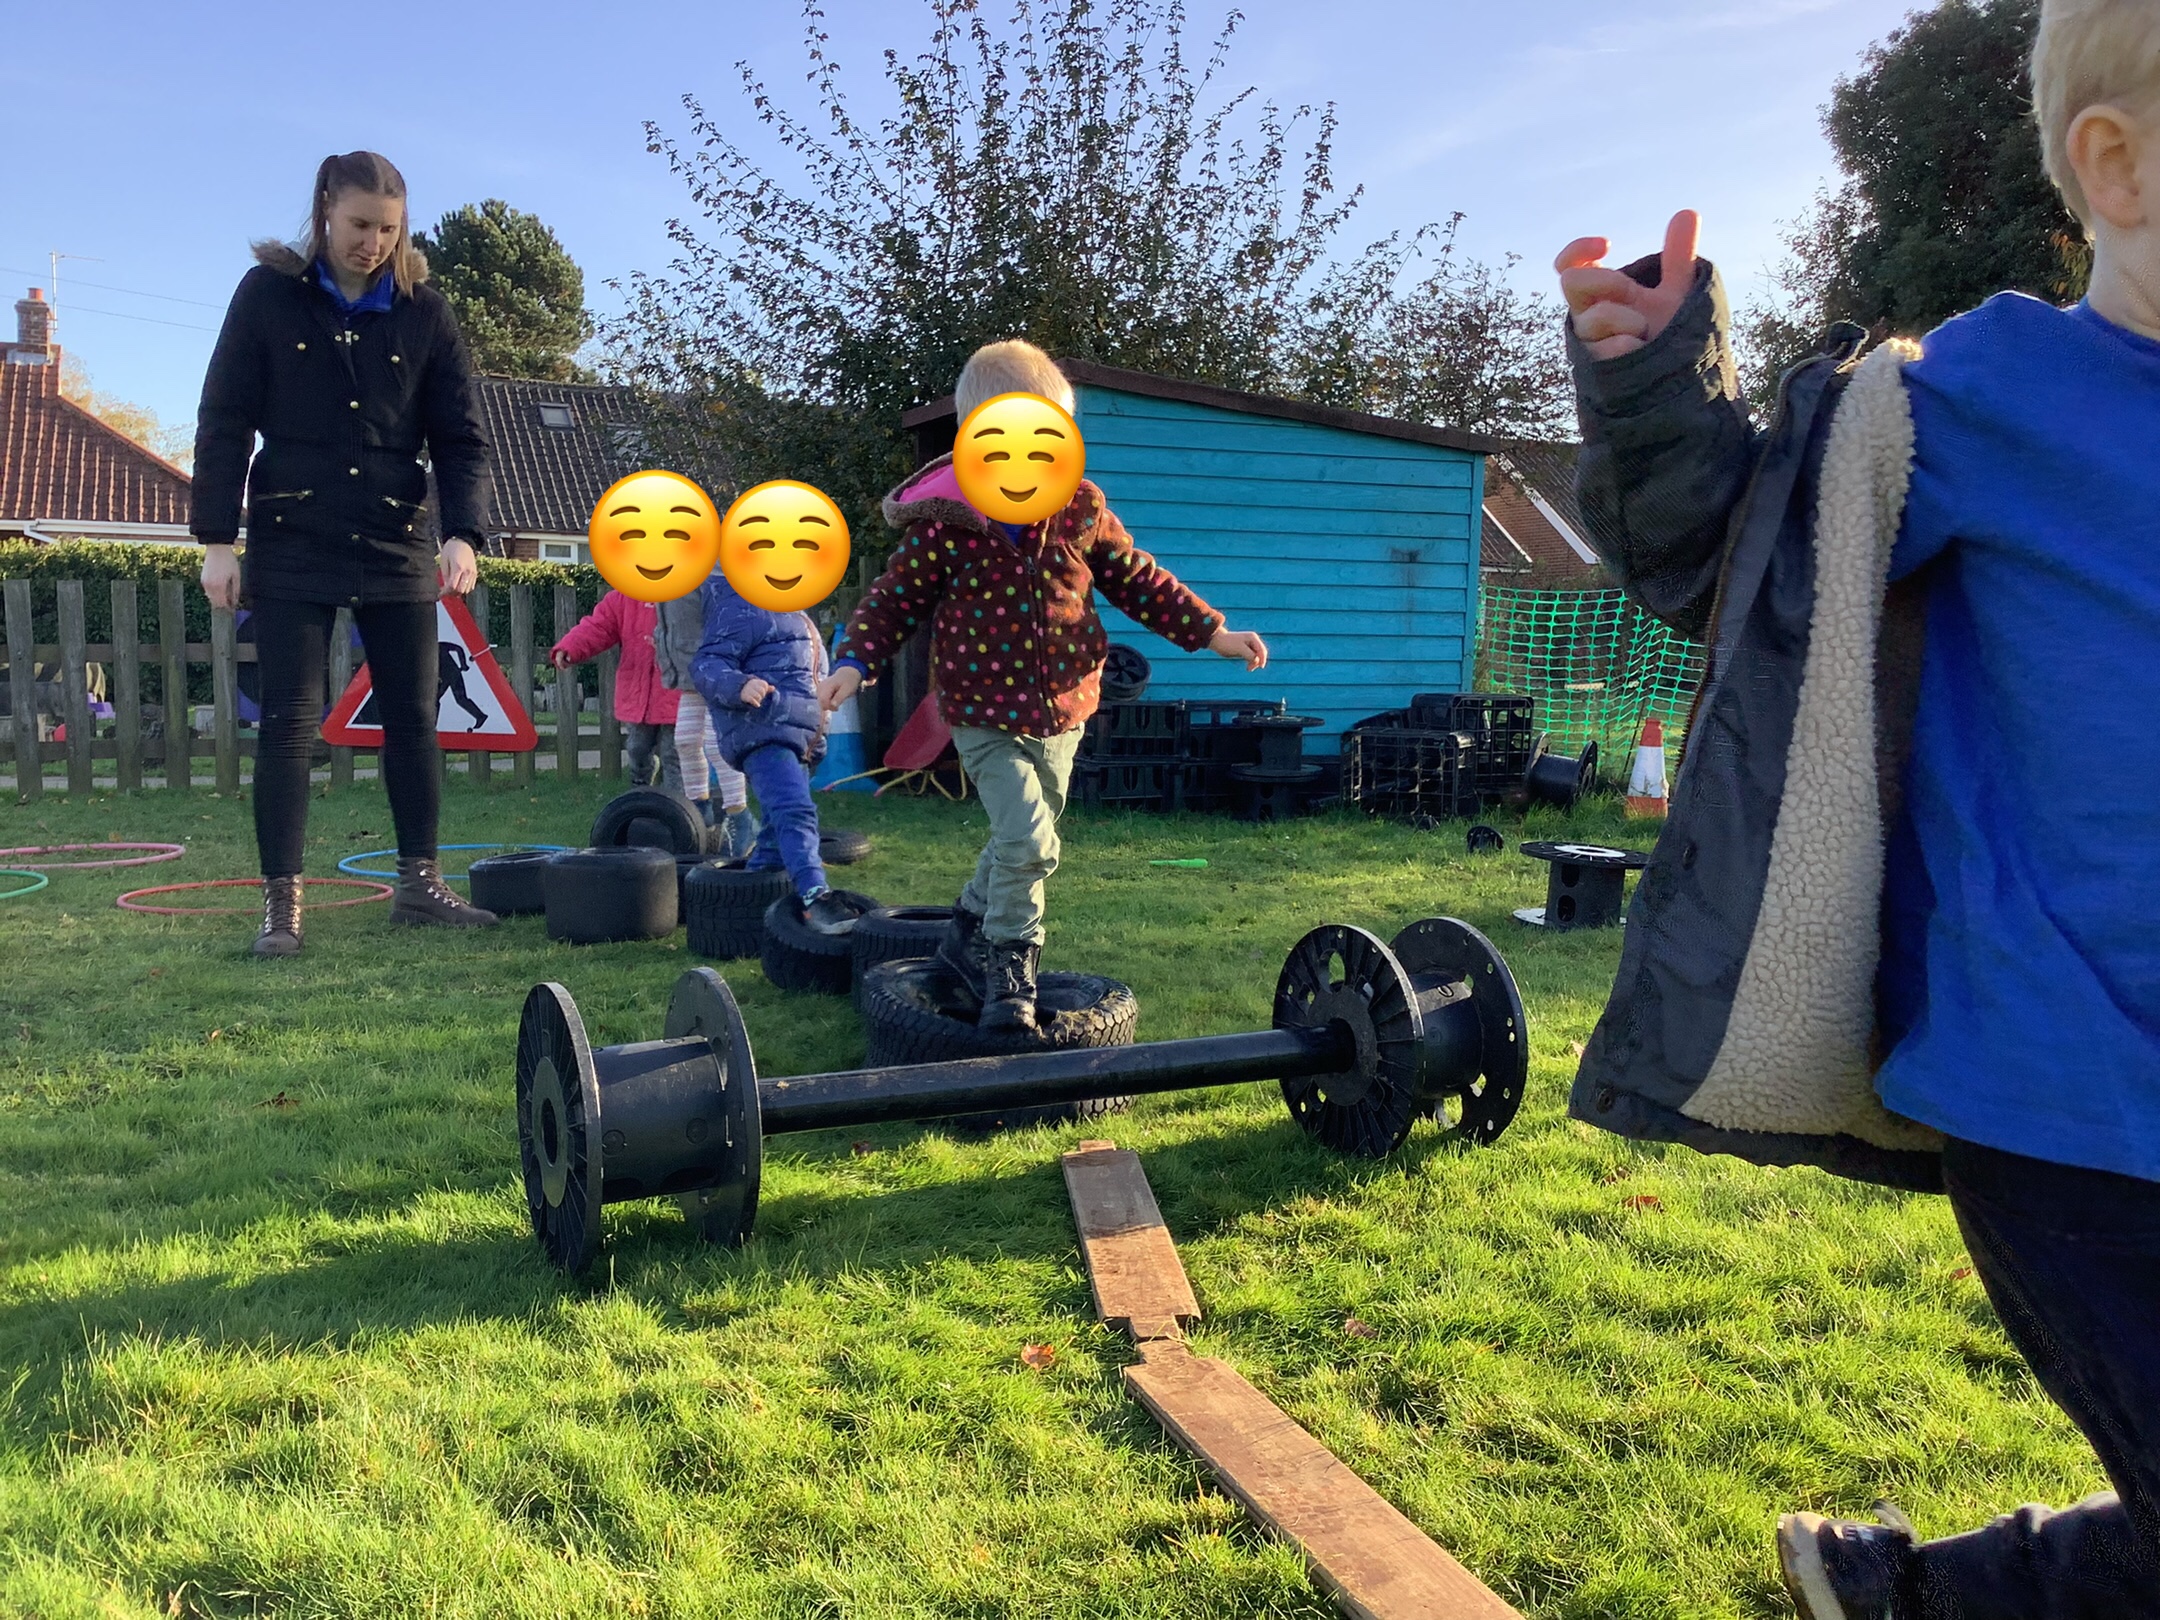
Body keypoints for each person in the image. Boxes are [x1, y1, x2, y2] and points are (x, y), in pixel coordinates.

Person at [1551, 1, 2159, 1613]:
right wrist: (1656, 392)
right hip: (2069, 1098)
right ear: (2120, 169)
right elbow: (1739, 553)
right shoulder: (1989, 394)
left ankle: (1904, 1598)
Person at [819, 339, 1269, 1035]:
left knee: (1018, 839)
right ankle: (1010, 968)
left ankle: (962, 937)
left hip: (1066, 708)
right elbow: (892, 600)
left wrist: (1213, 632)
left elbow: (1138, 579)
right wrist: (854, 661)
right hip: (981, 713)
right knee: (1030, 844)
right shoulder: (945, 526)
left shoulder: (1080, 509)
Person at [193, 150, 498, 956]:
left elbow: (461, 438)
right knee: (288, 722)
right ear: (326, 206)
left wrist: (463, 532)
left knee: (414, 718)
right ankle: (281, 907)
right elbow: (224, 419)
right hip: (291, 531)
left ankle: (420, 887)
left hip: (395, 534)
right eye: (361, 224)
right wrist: (218, 540)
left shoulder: (425, 312)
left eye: (389, 229)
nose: (374, 243)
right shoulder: (267, 295)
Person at [690, 569, 849, 933]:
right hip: (764, 731)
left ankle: (745, 906)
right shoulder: (741, 607)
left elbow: (806, 672)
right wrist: (740, 685)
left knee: (776, 832)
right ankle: (815, 894)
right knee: (794, 811)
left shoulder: (795, 612)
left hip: (799, 735)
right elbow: (706, 664)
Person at [652, 579, 759, 857]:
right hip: (690, 672)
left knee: (717, 744)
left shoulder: (713, 573)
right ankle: (699, 810)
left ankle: (740, 816)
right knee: (686, 740)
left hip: (716, 669)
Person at [549, 587, 683, 792]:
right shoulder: (624, 598)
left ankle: (678, 803)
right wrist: (570, 647)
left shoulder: (687, 595)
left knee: (673, 753)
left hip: (676, 692)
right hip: (638, 692)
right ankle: (638, 794)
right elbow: (598, 627)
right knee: (637, 748)